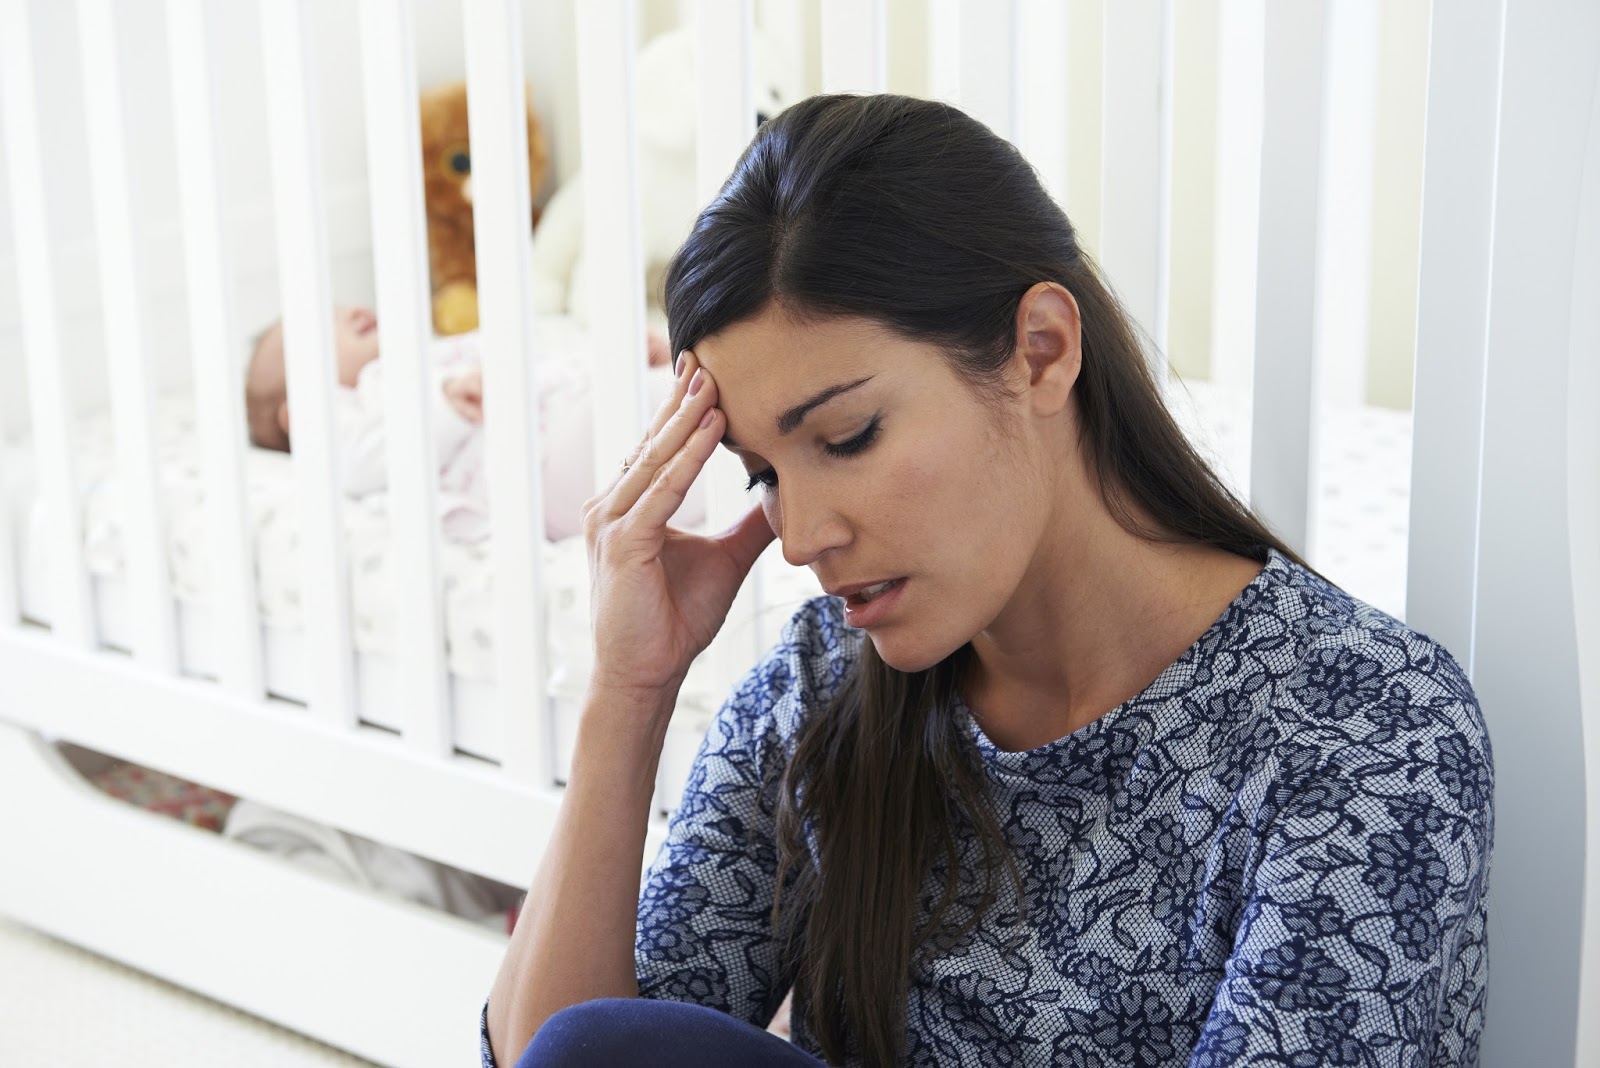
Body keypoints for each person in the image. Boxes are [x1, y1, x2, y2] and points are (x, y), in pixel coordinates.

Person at [482, 94, 1493, 1068]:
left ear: (1040, 351)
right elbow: (564, 1056)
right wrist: (629, 692)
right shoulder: (820, 690)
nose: (800, 537)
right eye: (764, 476)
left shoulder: (1362, 725)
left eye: (847, 436)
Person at [243, 306, 675, 541]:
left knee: (664, 415)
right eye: (322, 325)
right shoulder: (350, 408)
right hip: (537, 472)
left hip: (561, 427)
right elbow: (361, 464)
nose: (349, 311)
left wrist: (599, 363)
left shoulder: (427, 356)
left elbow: (537, 377)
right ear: (298, 415)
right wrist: (447, 408)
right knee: (654, 416)